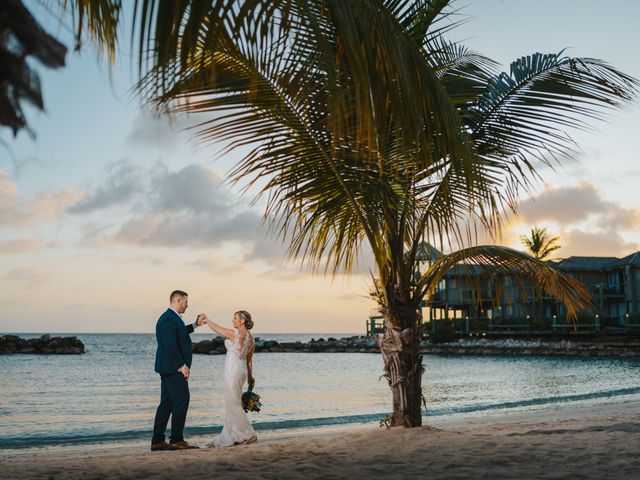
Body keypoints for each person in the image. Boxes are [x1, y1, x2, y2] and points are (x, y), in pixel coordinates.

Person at [151, 290, 206, 451]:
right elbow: (170, 346)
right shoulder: (168, 319)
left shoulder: (172, 318)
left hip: (168, 368)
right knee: (182, 400)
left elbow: (180, 333)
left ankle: (158, 441)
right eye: (186, 302)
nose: (187, 305)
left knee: (166, 404)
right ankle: (176, 439)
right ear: (178, 301)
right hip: (172, 368)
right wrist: (182, 366)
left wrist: (196, 325)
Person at [203, 310, 257, 447]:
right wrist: (250, 377)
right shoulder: (251, 339)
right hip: (242, 372)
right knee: (233, 402)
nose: (232, 321)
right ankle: (234, 433)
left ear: (242, 321)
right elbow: (249, 361)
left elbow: (217, 329)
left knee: (233, 404)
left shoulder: (235, 334)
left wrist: (207, 320)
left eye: (235, 318)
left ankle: (249, 434)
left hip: (233, 371)